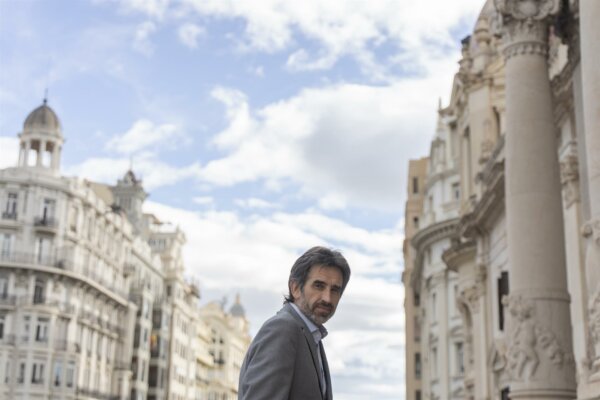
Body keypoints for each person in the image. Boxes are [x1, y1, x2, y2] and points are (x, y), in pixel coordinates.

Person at [238, 246, 351, 400]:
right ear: (295, 288)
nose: (327, 298)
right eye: (319, 286)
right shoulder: (282, 329)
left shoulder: (311, 336)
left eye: (335, 290)